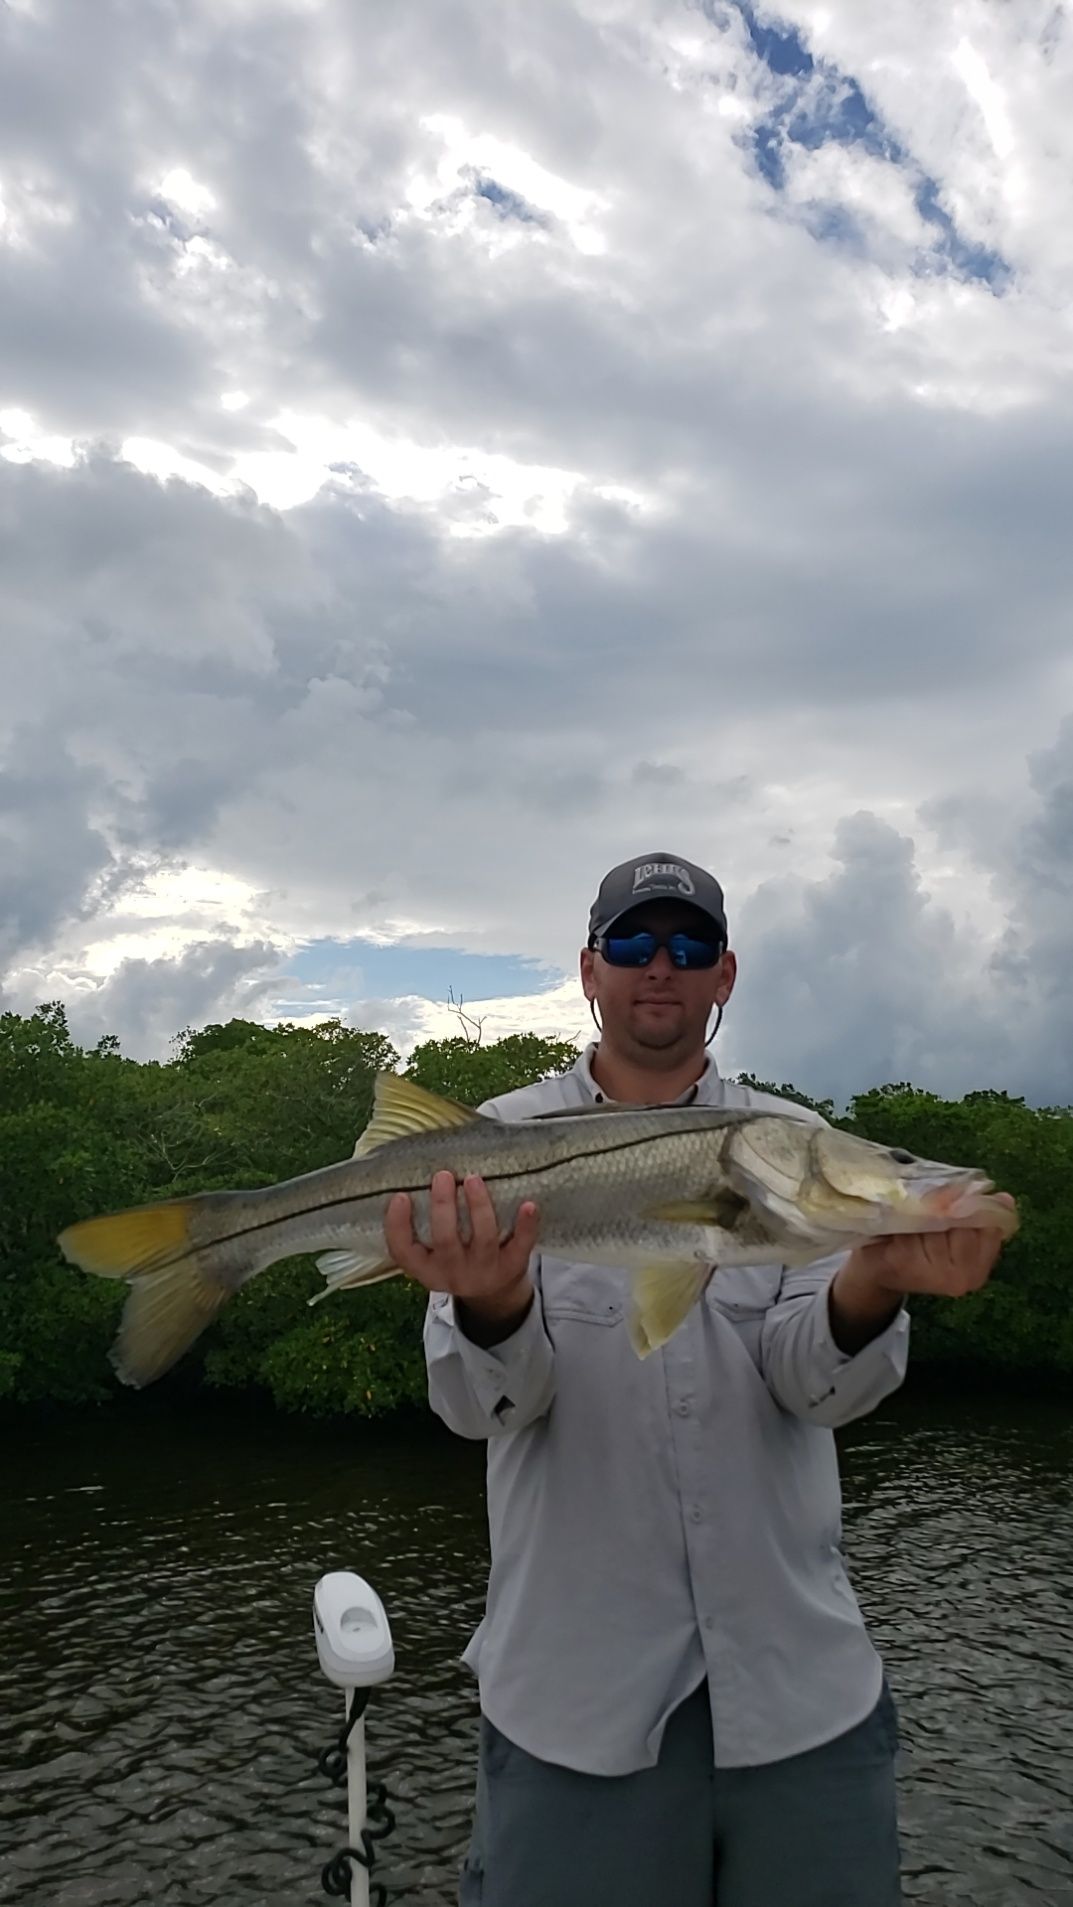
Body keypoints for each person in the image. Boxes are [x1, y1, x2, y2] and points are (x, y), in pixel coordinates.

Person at [382, 853, 1013, 1907]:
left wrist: (869, 1280)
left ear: (724, 975)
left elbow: (813, 1388)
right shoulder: (488, 1141)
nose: (659, 967)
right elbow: (477, 1404)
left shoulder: (792, 1148)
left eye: (689, 947)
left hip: (798, 1698)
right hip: (571, 1705)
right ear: (590, 969)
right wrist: (491, 1301)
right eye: (632, 944)